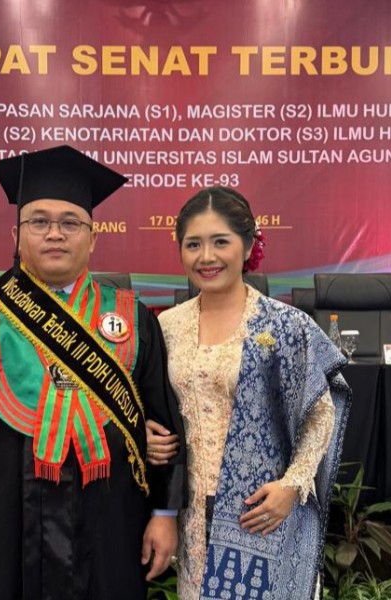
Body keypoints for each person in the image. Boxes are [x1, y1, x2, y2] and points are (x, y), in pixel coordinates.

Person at [0, 145, 187, 599]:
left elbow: (161, 425)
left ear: (93, 237)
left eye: (70, 223)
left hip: (110, 522)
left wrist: (164, 516)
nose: (55, 234)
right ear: (17, 234)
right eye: (39, 221)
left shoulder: (132, 318)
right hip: (9, 523)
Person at [147, 186, 350, 600]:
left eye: (220, 242)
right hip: (194, 517)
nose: (206, 257)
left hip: (263, 512)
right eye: (193, 244)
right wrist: (143, 436)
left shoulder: (286, 325)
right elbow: (150, 406)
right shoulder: (166, 327)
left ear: (248, 245)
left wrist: (292, 486)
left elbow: (321, 413)